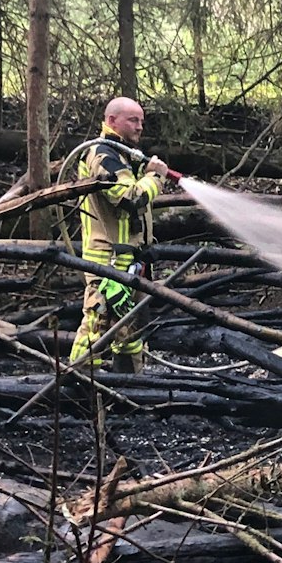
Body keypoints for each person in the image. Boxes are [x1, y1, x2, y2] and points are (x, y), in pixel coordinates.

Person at [69, 97, 177, 374]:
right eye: (133, 120)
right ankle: (77, 387)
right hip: (107, 262)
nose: (140, 127)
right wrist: (155, 177)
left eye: (142, 120)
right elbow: (130, 198)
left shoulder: (124, 156)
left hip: (130, 261)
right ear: (111, 120)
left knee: (130, 331)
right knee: (97, 328)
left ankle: (130, 389)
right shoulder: (102, 155)